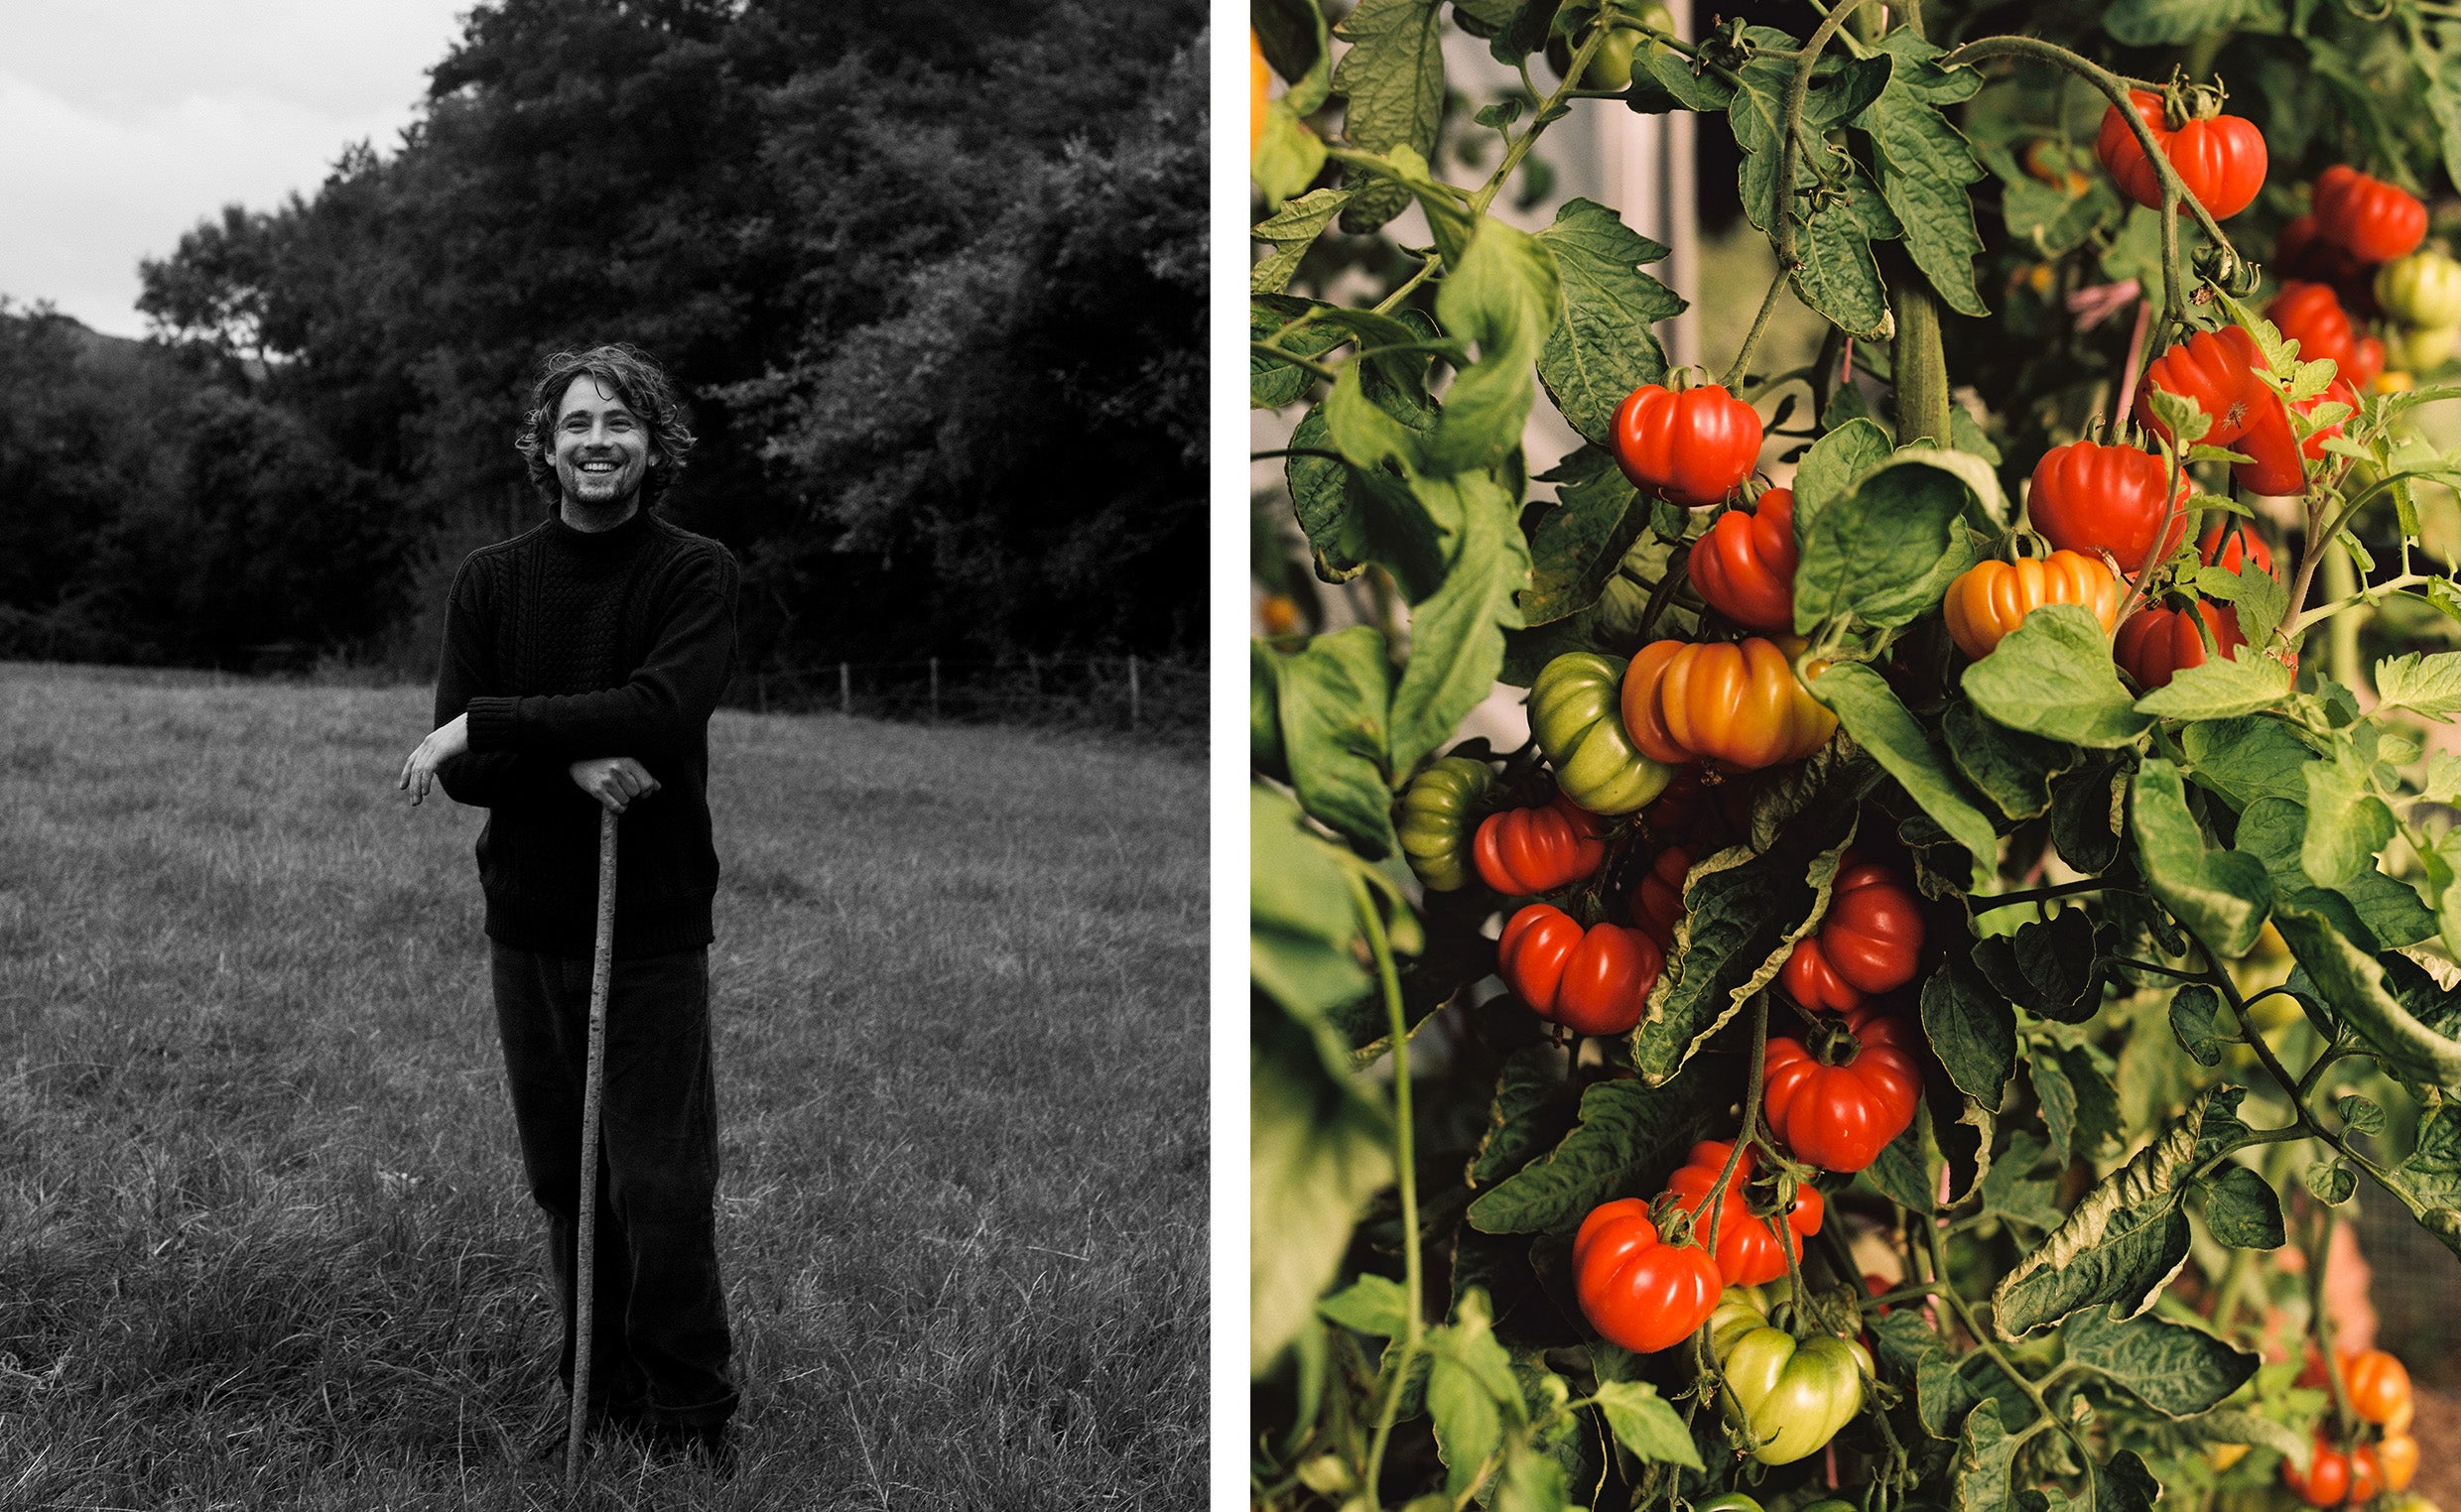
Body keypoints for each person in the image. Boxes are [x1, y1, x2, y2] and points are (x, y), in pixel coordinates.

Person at [397, 343, 741, 1470]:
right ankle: (595, 1395)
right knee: (565, 1175)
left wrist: (492, 720)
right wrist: (565, 760)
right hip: (529, 918)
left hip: (647, 923)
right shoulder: (494, 581)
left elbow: (658, 710)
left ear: (654, 444)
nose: (598, 442)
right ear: (545, 449)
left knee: (659, 1179)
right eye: (576, 424)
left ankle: (689, 1421)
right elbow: (464, 774)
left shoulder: (692, 573)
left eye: (621, 423)